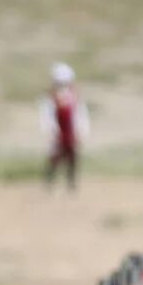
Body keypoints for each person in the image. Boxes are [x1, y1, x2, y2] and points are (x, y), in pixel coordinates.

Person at [42, 62, 89, 190]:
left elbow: (80, 115)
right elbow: (48, 116)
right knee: (54, 157)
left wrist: (81, 131)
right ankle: (49, 182)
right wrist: (51, 131)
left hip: (70, 131)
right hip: (58, 131)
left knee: (72, 157)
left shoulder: (74, 97)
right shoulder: (51, 98)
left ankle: (71, 182)